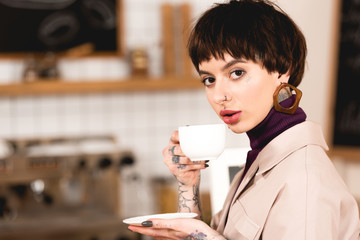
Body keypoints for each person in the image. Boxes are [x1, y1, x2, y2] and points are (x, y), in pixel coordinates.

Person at [128, 0, 360, 239]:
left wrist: (201, 235)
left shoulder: (305, 181)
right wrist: (188, 184)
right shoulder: (257, 163)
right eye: (209, 79)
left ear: (282, 68)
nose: (219, 96)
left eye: (236, 73)